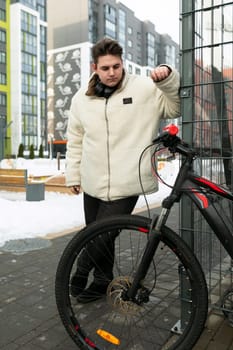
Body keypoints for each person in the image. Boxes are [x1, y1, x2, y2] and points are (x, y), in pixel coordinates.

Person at [65, 37, 180, 303]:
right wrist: (73, 174)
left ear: (122, 63)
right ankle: (103, 282)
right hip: (93, 181)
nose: (112, 73)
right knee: (101, 236)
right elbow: (76, 139)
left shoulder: (144, 88)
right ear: (95, 67)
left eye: (116, 66)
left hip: (129, 180)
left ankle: (80, 272)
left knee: (101, 234)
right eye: (105, 68)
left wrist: (166, 78)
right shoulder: (81, 99)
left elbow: (173, 106)